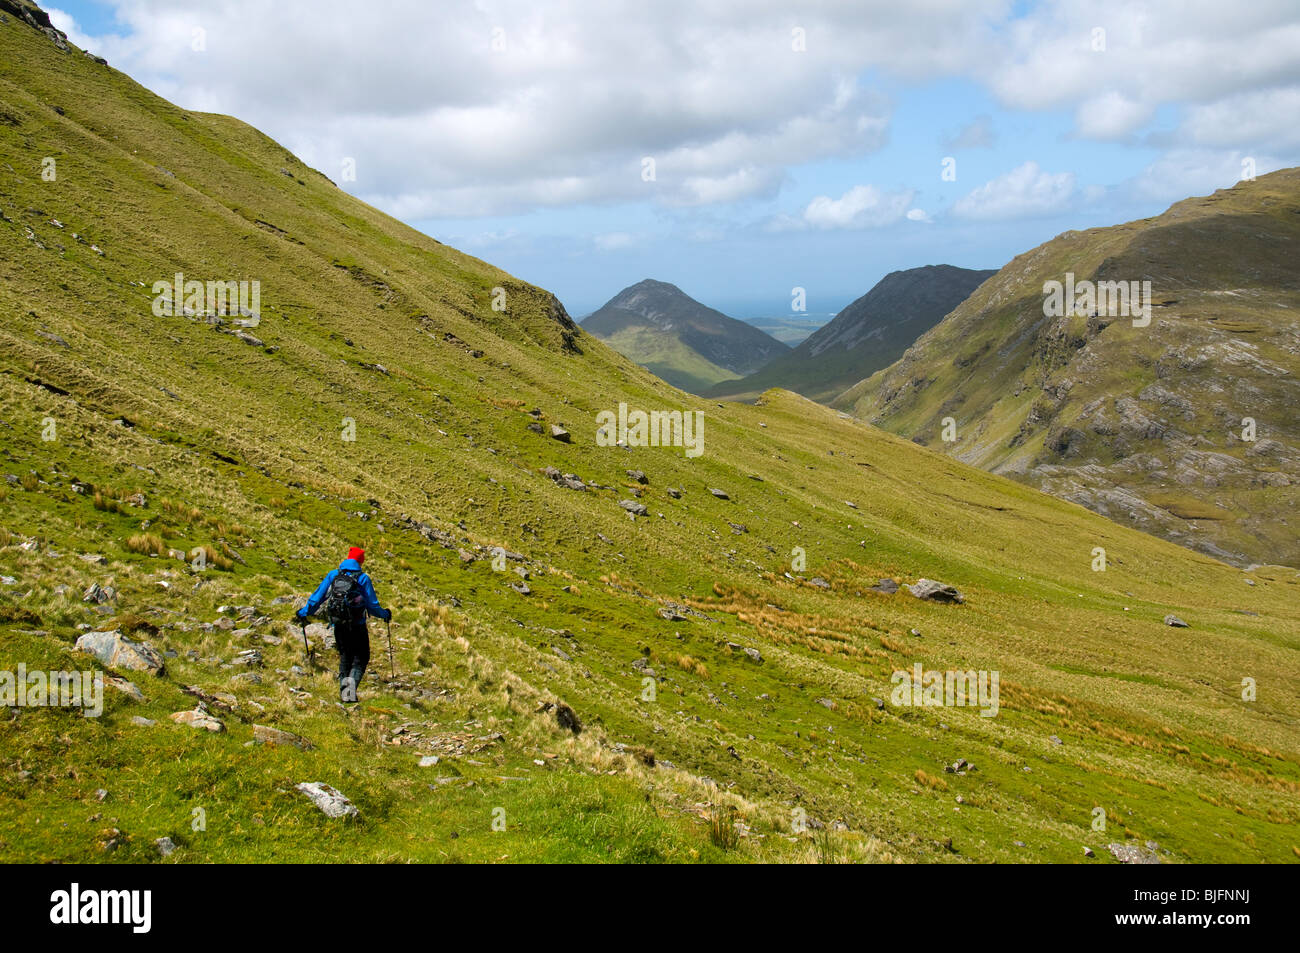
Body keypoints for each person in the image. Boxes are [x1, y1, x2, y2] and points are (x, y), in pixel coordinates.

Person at [296, 547, 391, 703]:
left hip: (338, 624)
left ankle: (345, 693)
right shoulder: (363, 578)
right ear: (360, 561)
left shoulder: (333, 575)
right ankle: (348, 694)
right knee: (361, 657)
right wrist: (385, 614)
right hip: (358, 625)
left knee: (345, 656)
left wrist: (304, 612)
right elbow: (372, 606)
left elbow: (318, 597)